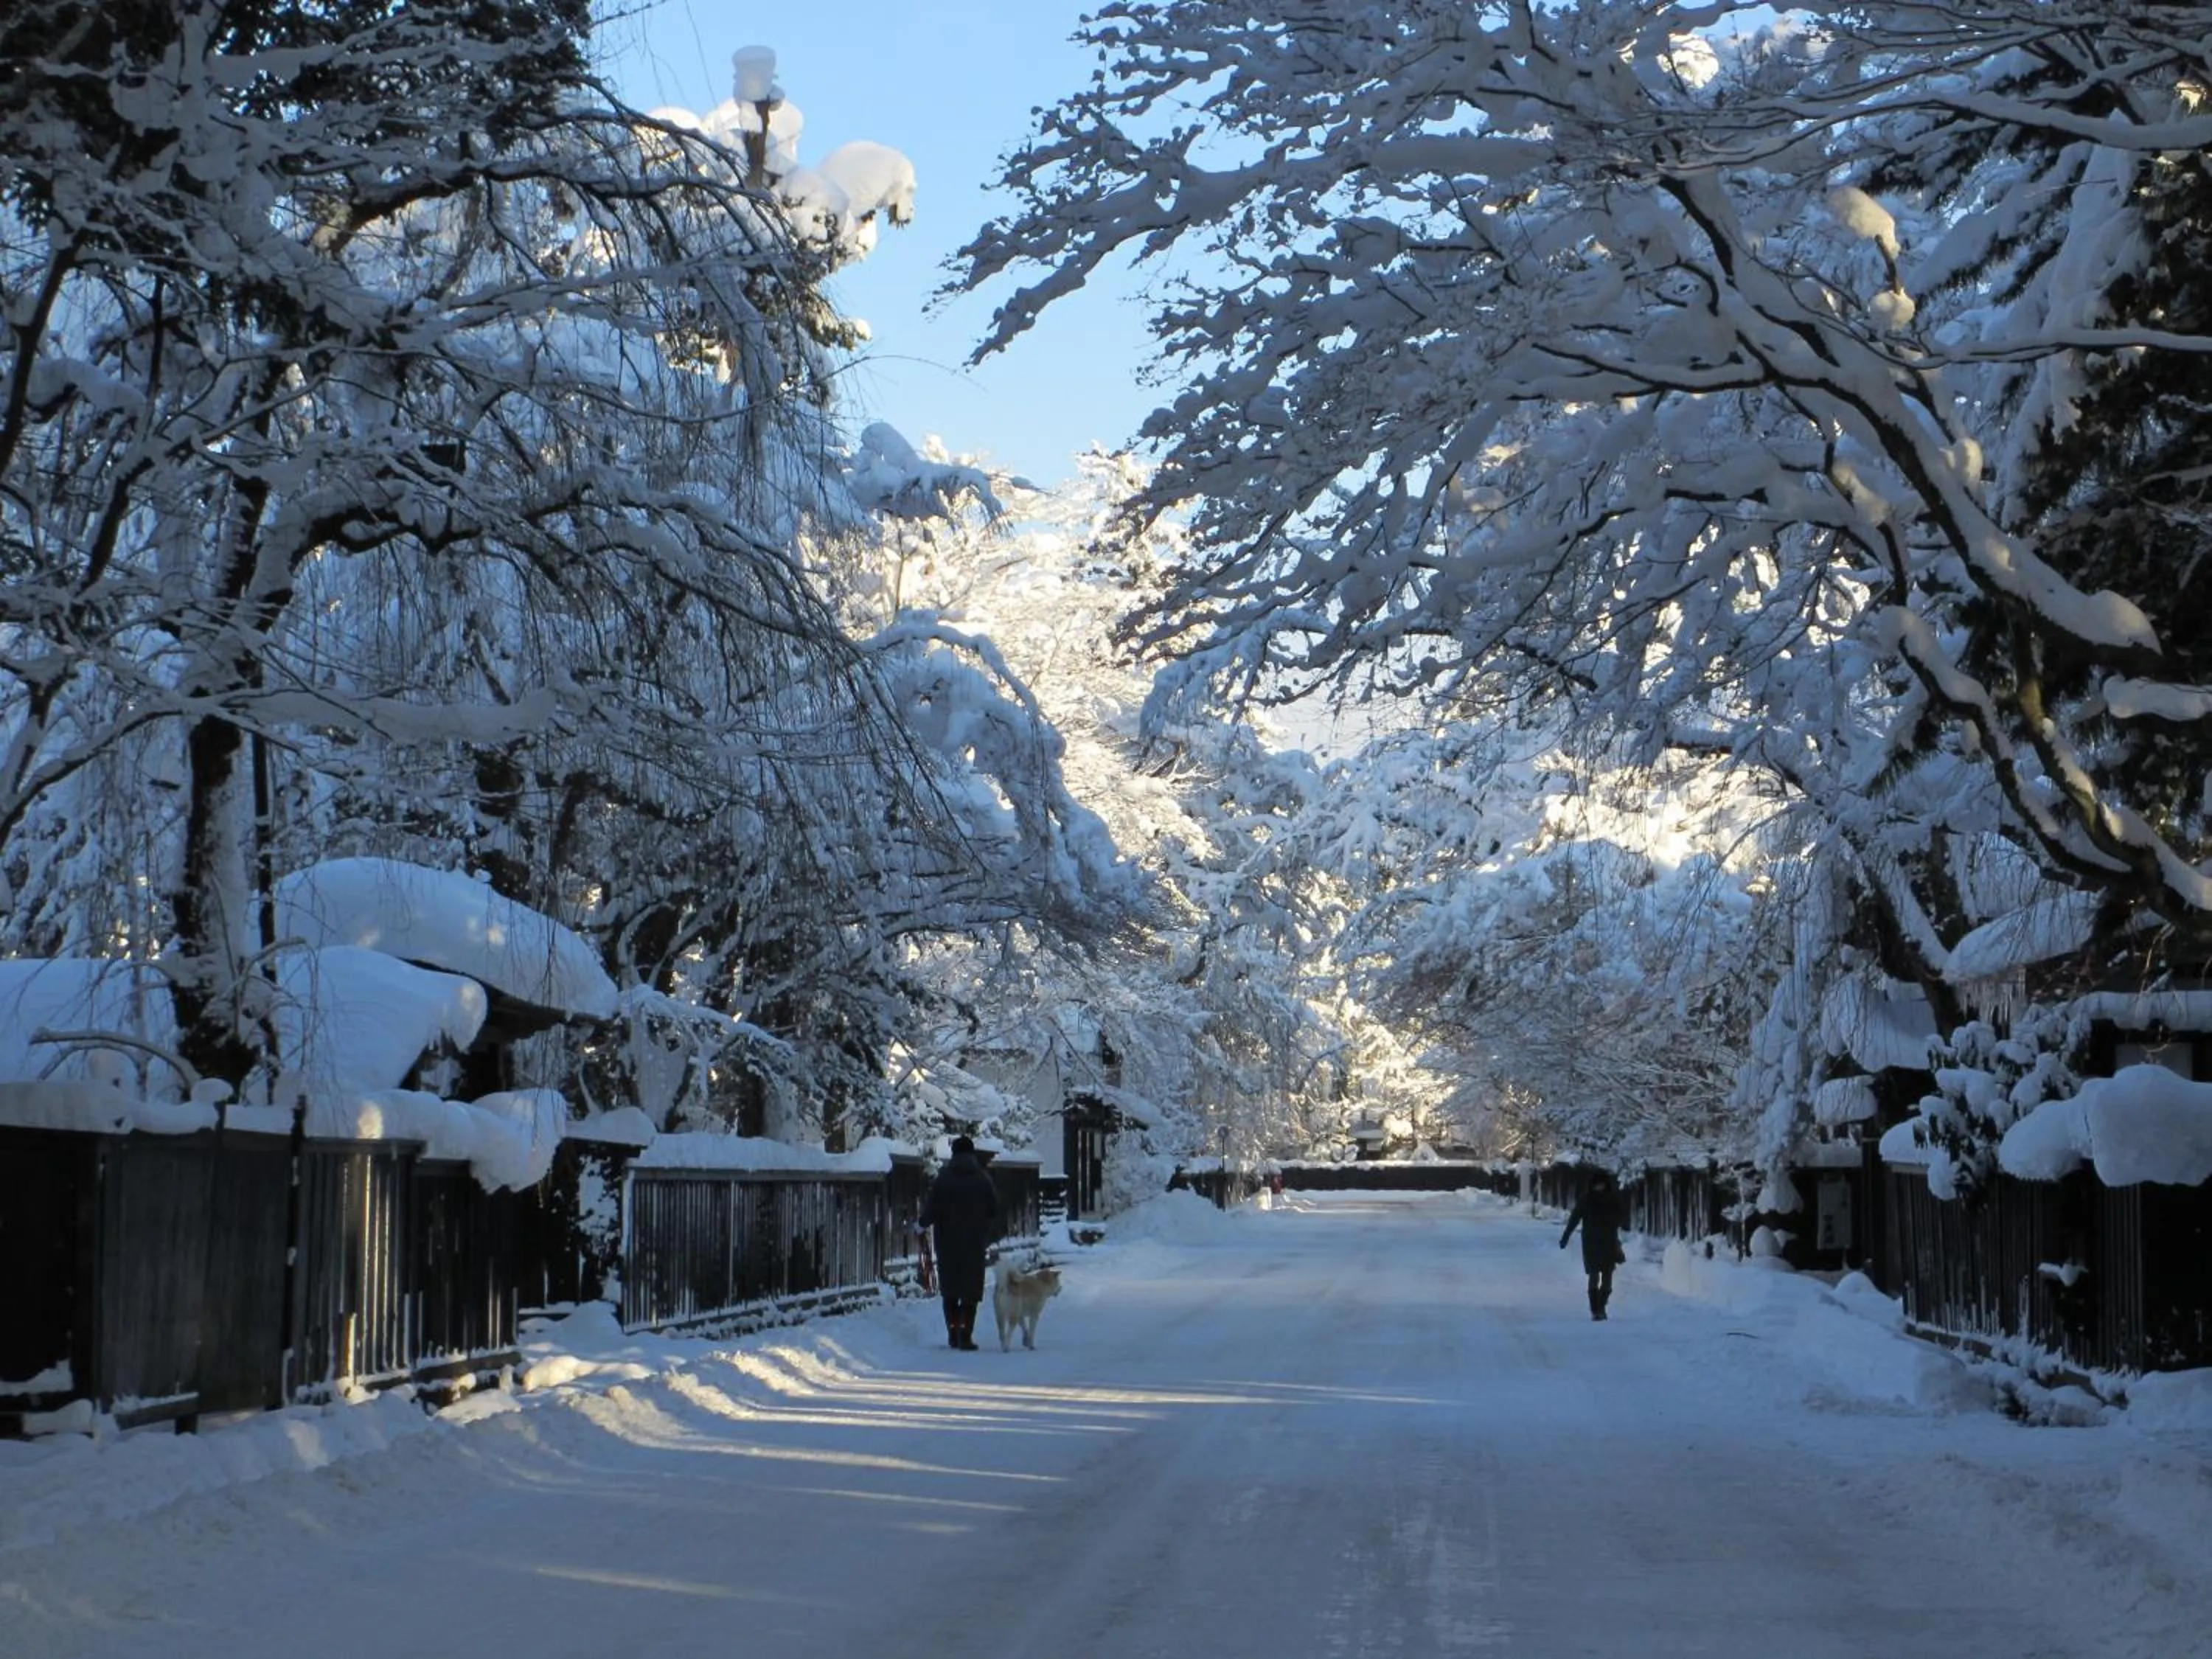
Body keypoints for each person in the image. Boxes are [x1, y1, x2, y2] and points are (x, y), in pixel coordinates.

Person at [920, 1134, 1000, 1351]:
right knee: (970, 1292)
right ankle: (965, 1334)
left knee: (951, 1291)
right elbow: (994, 1209)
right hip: (974, 1244)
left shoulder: (943, 1178)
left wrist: (921, 1224)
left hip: (947, 1243)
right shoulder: (983, 1179)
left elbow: (932, 1208)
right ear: (972, 1154)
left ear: (954, 1153)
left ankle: (953, 1331)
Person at [1559, 1169, 1627, 1321]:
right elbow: (1574, 1218)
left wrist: (1621, 1223)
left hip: (1609, 1241)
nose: (1599, 1187)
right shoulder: (1586, 1200)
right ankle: (1595, 1308)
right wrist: (1566, 1237)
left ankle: (1602, 1305)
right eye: (1597, 1185)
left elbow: (1622, 1216)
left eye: (1602, 1185)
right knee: (1594, 1274)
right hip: (1591, 1242)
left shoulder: (1613, 1200)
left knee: (1608, 1275)